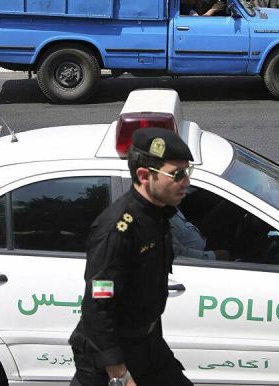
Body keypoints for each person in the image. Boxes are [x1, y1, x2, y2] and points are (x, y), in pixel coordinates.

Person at [69, 127, 194, 386]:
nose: (186, 182)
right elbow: (97, 307)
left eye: (188, 172)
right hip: (109, 357)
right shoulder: (117, 229)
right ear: (144, 175)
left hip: (148, 345)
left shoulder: (158, 215)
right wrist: (120, 374)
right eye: (177, 174)